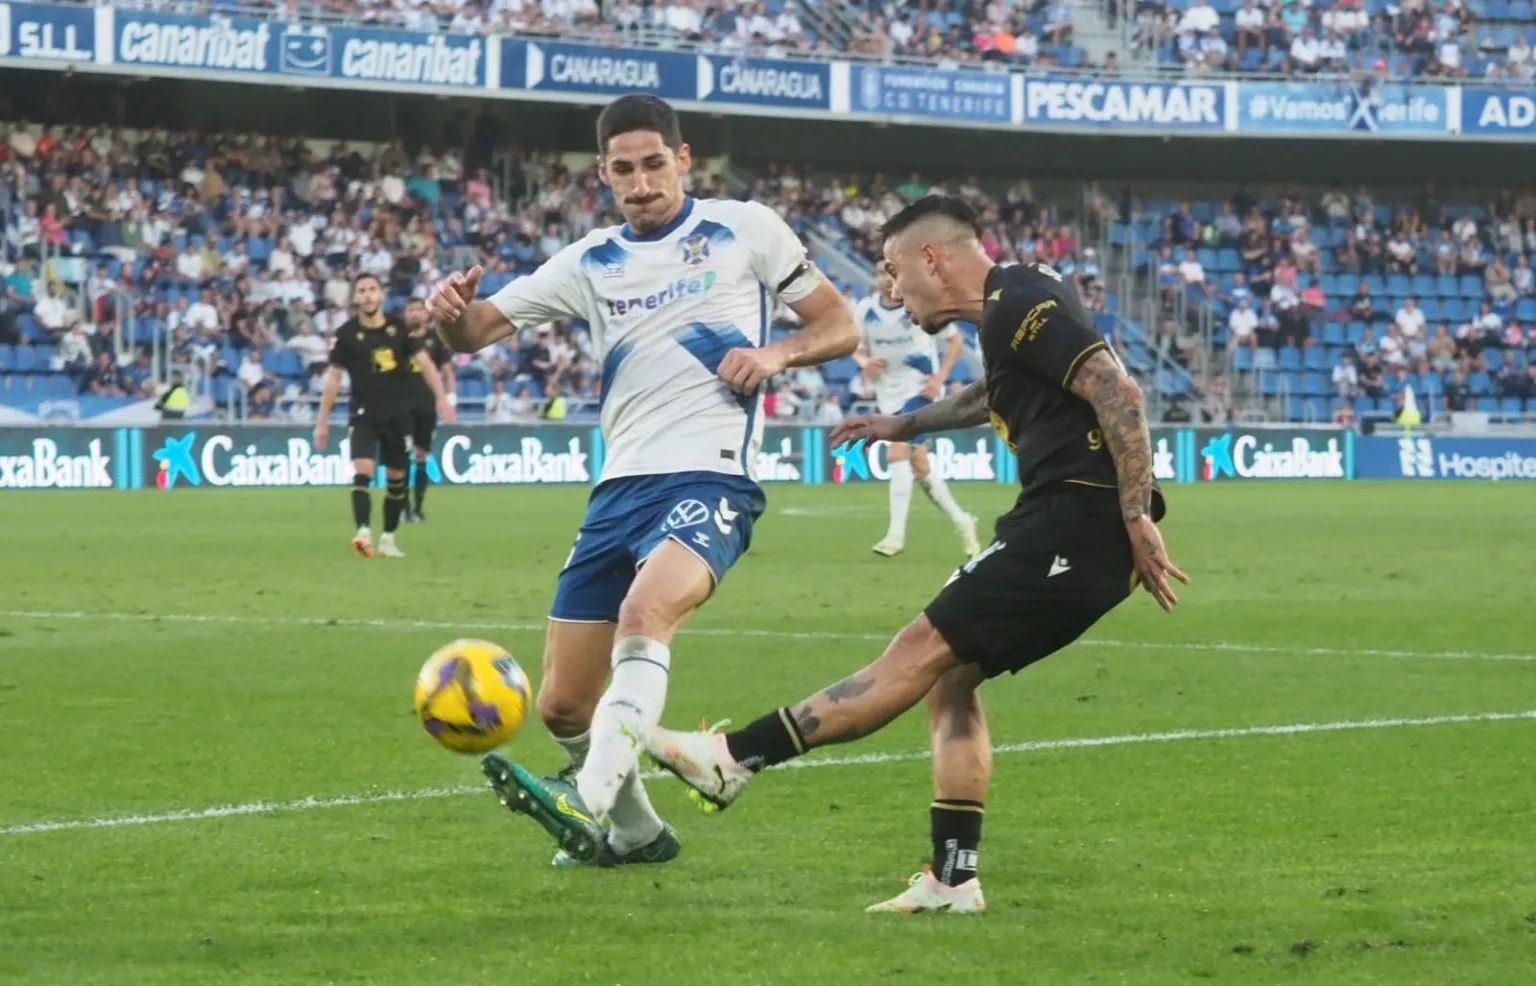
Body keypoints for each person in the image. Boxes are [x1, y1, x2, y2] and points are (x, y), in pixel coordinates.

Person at [634, 196, 1187, 913]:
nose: (891, 291)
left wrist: (1136, 515)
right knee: (950, 680)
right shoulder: (1010, 310)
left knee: (918, 647)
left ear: (933, 259)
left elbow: (1118, 388)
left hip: (1074, 525)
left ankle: (733, 759)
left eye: (895, 271)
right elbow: (993, 391)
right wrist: (908, 422)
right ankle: (953, 880)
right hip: (1062, 525)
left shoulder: (1018, 297)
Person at [426, 94, 857, 867]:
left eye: (655, 163)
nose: (642, 182)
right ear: (603, 175)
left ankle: (583, 797)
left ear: (683, 159)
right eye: (623, 169)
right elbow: (474, 333)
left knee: (646, 609)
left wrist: (776, 356)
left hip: (710, 476)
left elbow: (839, 323)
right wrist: (448, 312)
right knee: (561, 702)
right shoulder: (591, 260)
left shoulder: (744, 229)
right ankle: (638, 834)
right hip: (617, 490)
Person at [316, 273, 453, 559]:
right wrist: (322, 421)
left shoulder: (398, 330)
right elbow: (333, 380)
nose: (367, 295)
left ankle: (388, 538)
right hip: (363, 414)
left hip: (397, 416)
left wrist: (441, 397)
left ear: (381, 296)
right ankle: (363, 532)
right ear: (355, 298)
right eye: (362, 290)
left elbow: (425, 363)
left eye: (372, 289)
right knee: (362, 469)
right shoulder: (346, 335)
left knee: (397, 477)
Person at [853, 265, 980, 558]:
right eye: (880, 275)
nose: (886, 281)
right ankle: (963, 522)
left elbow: (955, 341)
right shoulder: (865, 309)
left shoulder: (921, 303)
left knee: (896, 451)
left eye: (890, 274)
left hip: (921, 392)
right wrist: (862, 361)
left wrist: (939, 379)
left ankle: (895, 536)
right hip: (889, 396)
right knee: (920, 468)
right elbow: (852, 345)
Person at [402, 297, 456, 523]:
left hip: (426, 405)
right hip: (401, 404)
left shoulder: (436, 339)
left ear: (426, 314)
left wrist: (449, 399)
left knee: (421, 454)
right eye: (411, 310)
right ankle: (403, 507)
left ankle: (418, 508)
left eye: (418, 309)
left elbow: (447, 371)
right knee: (401, 454)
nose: (415, 314)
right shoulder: (397, 339)